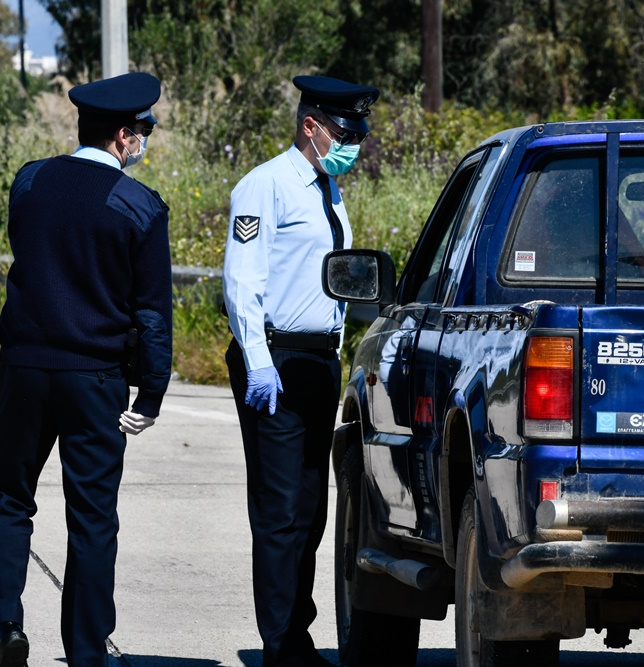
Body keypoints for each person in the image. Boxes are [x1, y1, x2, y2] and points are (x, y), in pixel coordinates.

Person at [0, 71, 173, 667]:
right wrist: (152, 393)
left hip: (26, 369)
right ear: (122, 135)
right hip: (95, 380)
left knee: (8, 498)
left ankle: (8, 627)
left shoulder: (30, 181)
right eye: (142, 130)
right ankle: (88, 652)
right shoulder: (138, 206)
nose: (145, 139)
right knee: (92, 519)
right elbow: (151, 311)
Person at [223, 75, 379, 667]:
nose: (354, 142)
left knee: (312, 507)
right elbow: (243, 280)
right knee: (280, 510)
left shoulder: (329, 188)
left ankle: (297, 632)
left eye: (359, 133)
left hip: (317, 360)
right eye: (344, 131)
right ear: (310, 126)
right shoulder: (266, 185)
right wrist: (258, 360)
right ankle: (280, 643)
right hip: (276, 361)